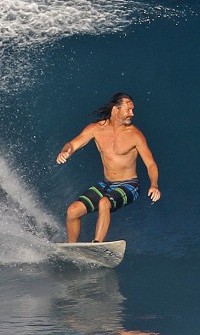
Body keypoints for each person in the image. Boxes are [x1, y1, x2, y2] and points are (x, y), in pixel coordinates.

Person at [56, 93, 161, 243]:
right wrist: (66, 152)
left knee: (104, 202)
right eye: (128, 110)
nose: (132, 114)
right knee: (72, 211)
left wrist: (154, 185)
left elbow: (151, 164)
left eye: (132, 110)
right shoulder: (96, 129)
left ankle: (97, 244)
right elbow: (73, 144)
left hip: (129, 185)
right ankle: (70, 247)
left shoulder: (135, 135)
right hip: (107, 184)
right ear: (115, 110)